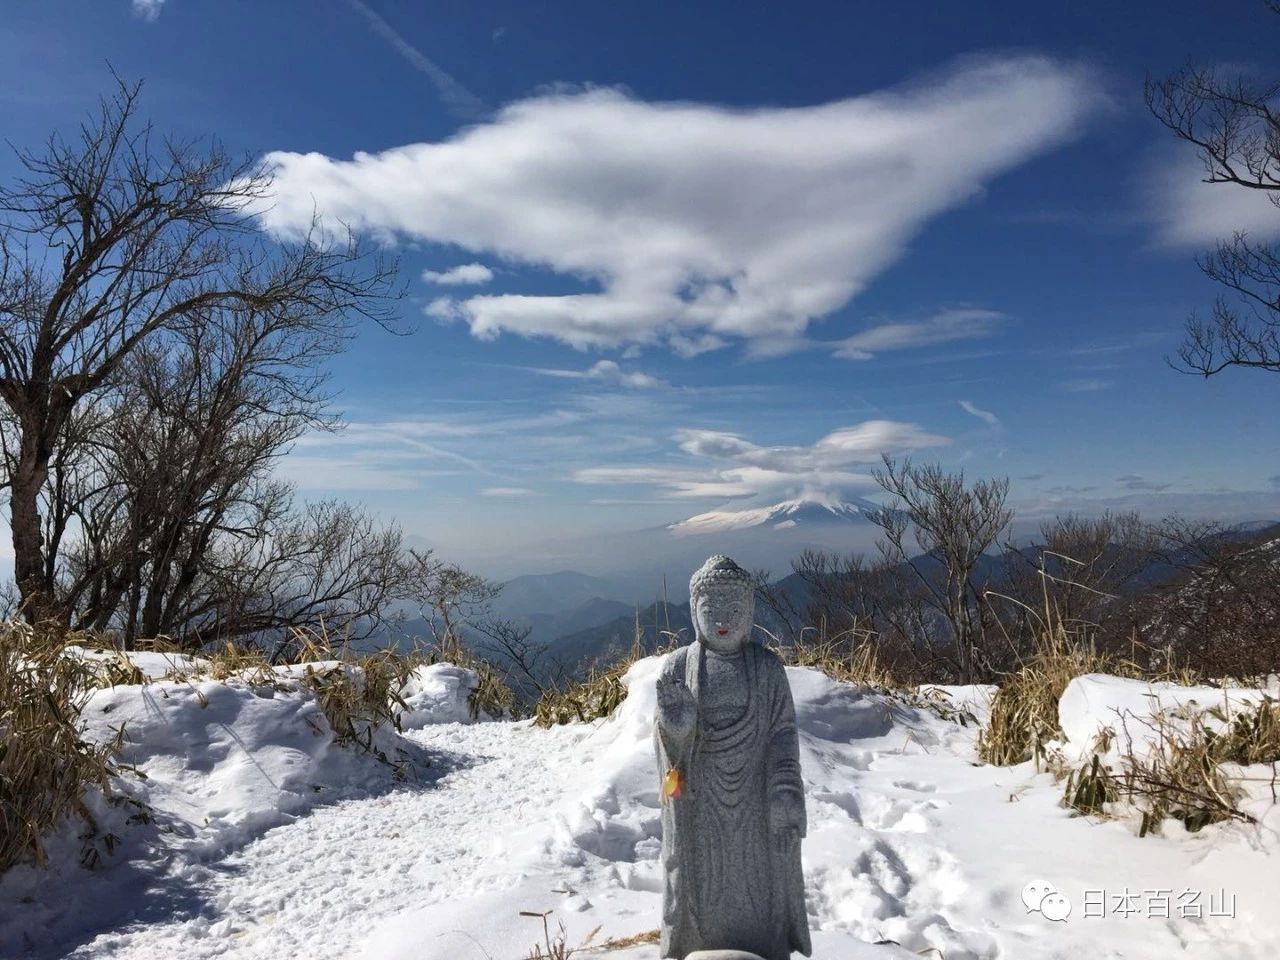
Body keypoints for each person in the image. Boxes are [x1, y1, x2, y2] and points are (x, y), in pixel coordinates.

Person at [654, 555, 811, 960]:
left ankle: (765, 945)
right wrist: (678, 729)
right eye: (712, 609)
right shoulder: (680, 666)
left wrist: (784, 791)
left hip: (756, 800)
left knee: (757, 880)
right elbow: (669, 751)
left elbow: (782, 734)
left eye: (734, 609)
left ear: (751, 611)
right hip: (701, 803)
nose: (723, 619)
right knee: (704, 880)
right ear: (694, 610)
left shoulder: (767, 668)